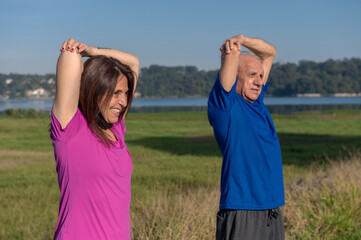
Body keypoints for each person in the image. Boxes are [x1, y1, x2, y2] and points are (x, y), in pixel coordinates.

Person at [50, 38, 139, 239]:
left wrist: (93, 50)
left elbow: (133, 63)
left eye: (125, 93)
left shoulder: (116, 128)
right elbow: (70, 56)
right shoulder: (70, 131)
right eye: (116, 93)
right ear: (95, 89)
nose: (123, 102)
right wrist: (79, 51)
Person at [207, 34, 285, 240]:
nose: (259, 82)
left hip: (272, 208)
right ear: (236, 78)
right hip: (242, 209)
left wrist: (242, 39)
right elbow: (231, 61)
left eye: (260, 76)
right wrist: (233, 50)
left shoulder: (257, 103)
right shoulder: (225, 108)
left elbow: (270, 53)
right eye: (252, 75)